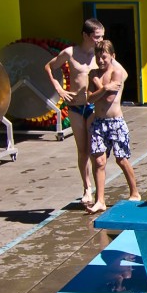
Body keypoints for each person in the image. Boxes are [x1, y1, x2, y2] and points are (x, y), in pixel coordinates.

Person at [44, 18, 105, 206]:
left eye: (102, 36)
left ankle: (99, 192)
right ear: (85, 35)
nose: (100, 40)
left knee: (96, 151)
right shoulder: (70, 53)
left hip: (94, 107)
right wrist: (59, 89)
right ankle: (87, 188)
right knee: (83, 150)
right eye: (96, 37)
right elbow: (49, 66)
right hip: (76, 107)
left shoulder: (101, 54)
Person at [84, 40, 140, 214]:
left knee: (121, 159)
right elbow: (89, 99)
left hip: (116, 123)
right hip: (99, 123)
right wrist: (104, 87)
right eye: (98, 57)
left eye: (104, 57)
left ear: (112, 57)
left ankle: (135, 192)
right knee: (99, 161)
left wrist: (100, 86)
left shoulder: (117, 73)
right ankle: (100, 200)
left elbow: (108, 99)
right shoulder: (93, 73)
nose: (100, 61)